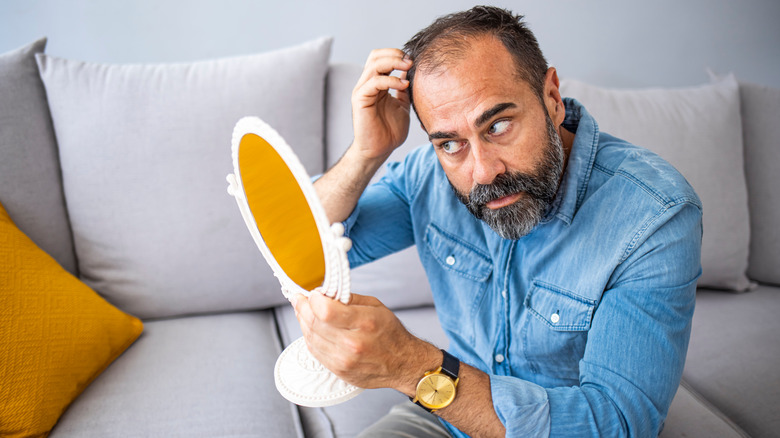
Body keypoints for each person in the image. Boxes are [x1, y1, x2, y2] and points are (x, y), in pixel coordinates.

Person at [293, 5, 703, 437]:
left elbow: (615, 423)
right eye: (450, 143)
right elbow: (302, 249)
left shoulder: (654, 215)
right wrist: (365, 154)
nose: (484, 172)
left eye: (499, 124)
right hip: (448, 418)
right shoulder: (427, 174)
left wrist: (411, 366)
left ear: (552, 98)